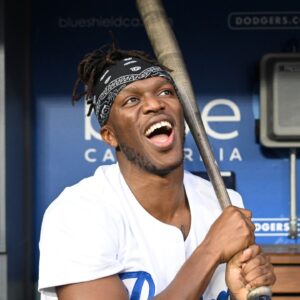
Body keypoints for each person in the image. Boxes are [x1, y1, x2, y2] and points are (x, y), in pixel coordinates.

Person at [38, 43, 275, 300]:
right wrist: (211, 249)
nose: (154, 104)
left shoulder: (223, 203)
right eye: (132, 99)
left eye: (165, 92)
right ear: (110, 135)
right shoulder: (79, 212)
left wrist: (242, 295)